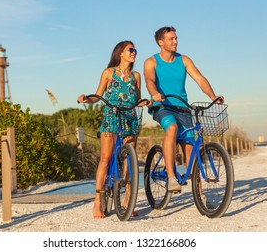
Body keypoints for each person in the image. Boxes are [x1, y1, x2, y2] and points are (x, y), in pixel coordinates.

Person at [143, 26, 224, 192]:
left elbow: (200, 78)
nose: (175, 41)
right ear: (161, 42)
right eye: (171, 39)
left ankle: (199, 194)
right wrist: (155, 93)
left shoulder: (184, 60)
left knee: (190, 147)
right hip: (163, 106)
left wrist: (213, 96)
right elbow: (149, 80)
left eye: (176, 38)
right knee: (171, 128)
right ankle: (171, 178)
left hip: (183, 107)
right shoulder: (151, 61)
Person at [78, 40, 146, 219]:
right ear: (120, 53)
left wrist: (145, 102)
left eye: (135, 50)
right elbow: (98, 95)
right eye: (130, 50)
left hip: (130, 117)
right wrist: (86, 99)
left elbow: (137, 99)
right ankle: (97, 201)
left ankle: (128, 201)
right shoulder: (109, 73)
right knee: (106, 159)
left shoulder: (136, 76)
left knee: (130, 161)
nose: (134, 53)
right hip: (111, 117)